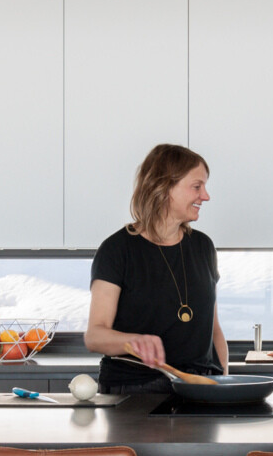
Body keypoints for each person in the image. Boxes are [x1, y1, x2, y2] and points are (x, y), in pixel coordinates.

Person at [84, 144, 229, 392]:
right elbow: (95, 336)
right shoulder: (117, 250)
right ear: (164, 188)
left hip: (201, 387)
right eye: (197, 186)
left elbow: (213, 329)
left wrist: (224, 381)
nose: (205, 196)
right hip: (135, 389)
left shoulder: (203, 246)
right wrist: (134, 340)